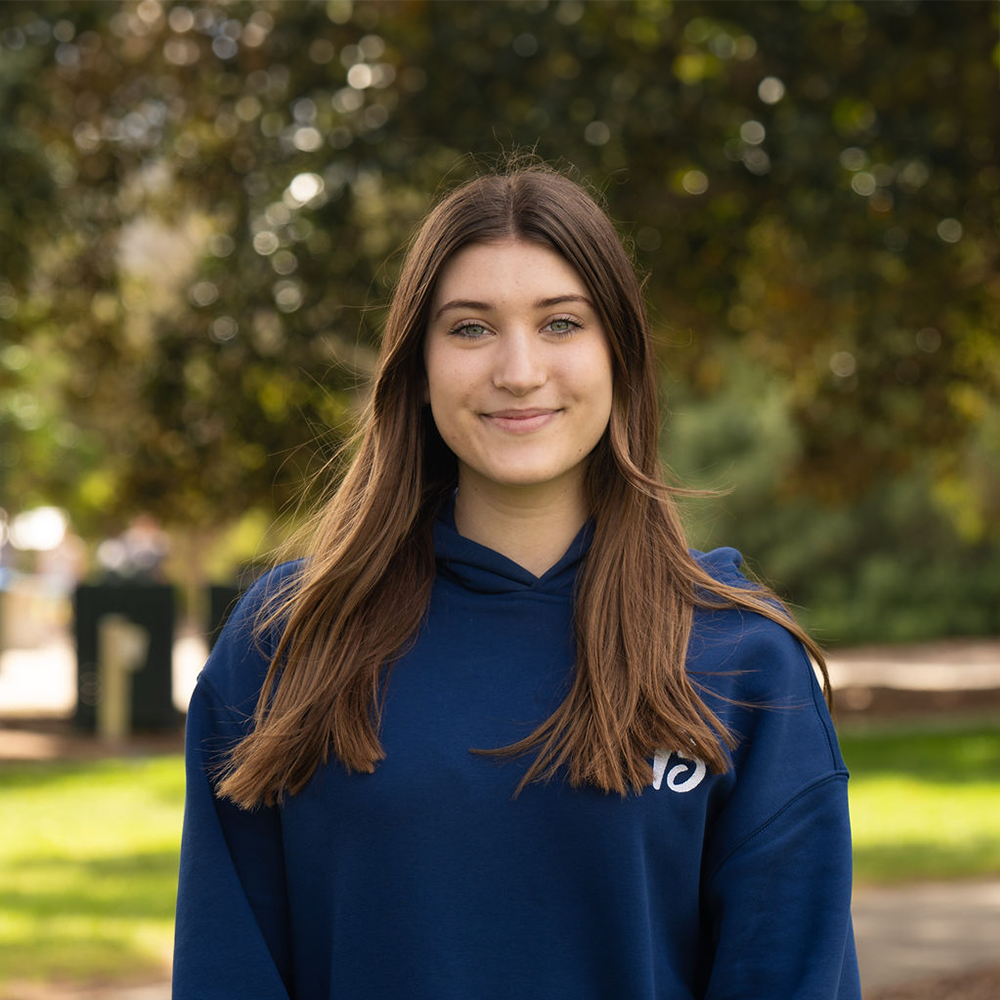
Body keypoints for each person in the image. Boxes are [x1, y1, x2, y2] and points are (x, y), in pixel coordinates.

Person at [173, 166, 861, 999]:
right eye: (470, 329)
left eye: (562, 322)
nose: (519, 369)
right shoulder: (287, 641)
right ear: (417, 367)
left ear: (621, 356)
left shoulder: (743, 662)